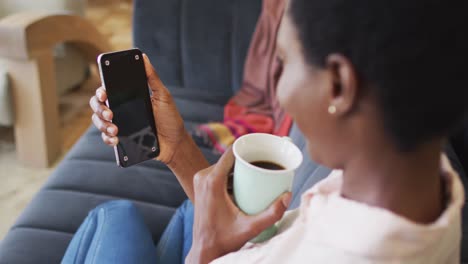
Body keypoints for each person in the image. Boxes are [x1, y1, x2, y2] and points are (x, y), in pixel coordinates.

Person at [65, 0, 468, 263]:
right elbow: (258, 241)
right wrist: (176, 149)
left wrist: (204, 252)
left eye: (283, 62)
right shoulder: (428, 184)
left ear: (339, 86)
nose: (281, 93)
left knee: (115, 217)